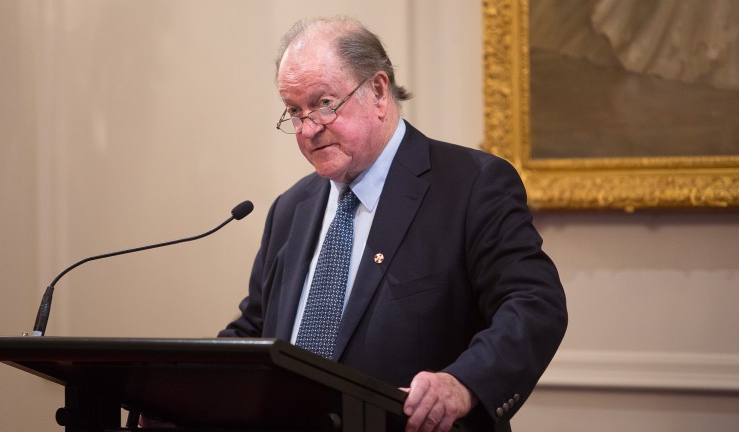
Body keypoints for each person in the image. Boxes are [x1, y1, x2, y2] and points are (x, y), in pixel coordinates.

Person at [218, 16, 567, 432]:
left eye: (324, 103)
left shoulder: (471, 184)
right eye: (294, 111)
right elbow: (256, 331)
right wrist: (189, 394)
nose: (308, 128)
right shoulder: (290, 208)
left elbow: (533, 303)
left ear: (378, 91)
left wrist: (461, 384)